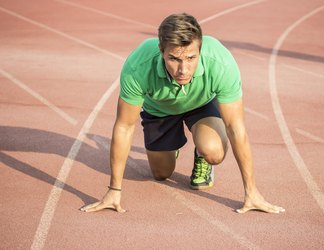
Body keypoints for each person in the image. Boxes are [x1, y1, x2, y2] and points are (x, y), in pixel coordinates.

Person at [81, 13, 285, 214]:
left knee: (213, 152)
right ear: (161, 50)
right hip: (159, 109)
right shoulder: (138, 66)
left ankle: (201, 153)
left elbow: (235, 127)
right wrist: (114, 190)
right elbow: (124, 126)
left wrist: (252, 191)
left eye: (191, 58)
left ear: (200, 49)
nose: (183, 69)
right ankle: (171, 146)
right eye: (174, 59)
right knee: (161, 174)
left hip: (201, 104)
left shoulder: (220, 62)